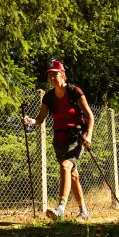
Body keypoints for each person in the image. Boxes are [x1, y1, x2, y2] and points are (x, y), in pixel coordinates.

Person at [22, 60, 94, 221]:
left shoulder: (75, 92)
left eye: (55, 74)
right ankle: (84, 212)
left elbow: (89, 115)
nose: (52, 78)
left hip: (76, 137)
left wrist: (88, 135)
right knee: (72, 174)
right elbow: (40, 119)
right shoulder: (48, 97)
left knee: (65, 166)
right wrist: (30, 121)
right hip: (59, 139)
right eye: (49, 75)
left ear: (63, 75)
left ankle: (60, 208)